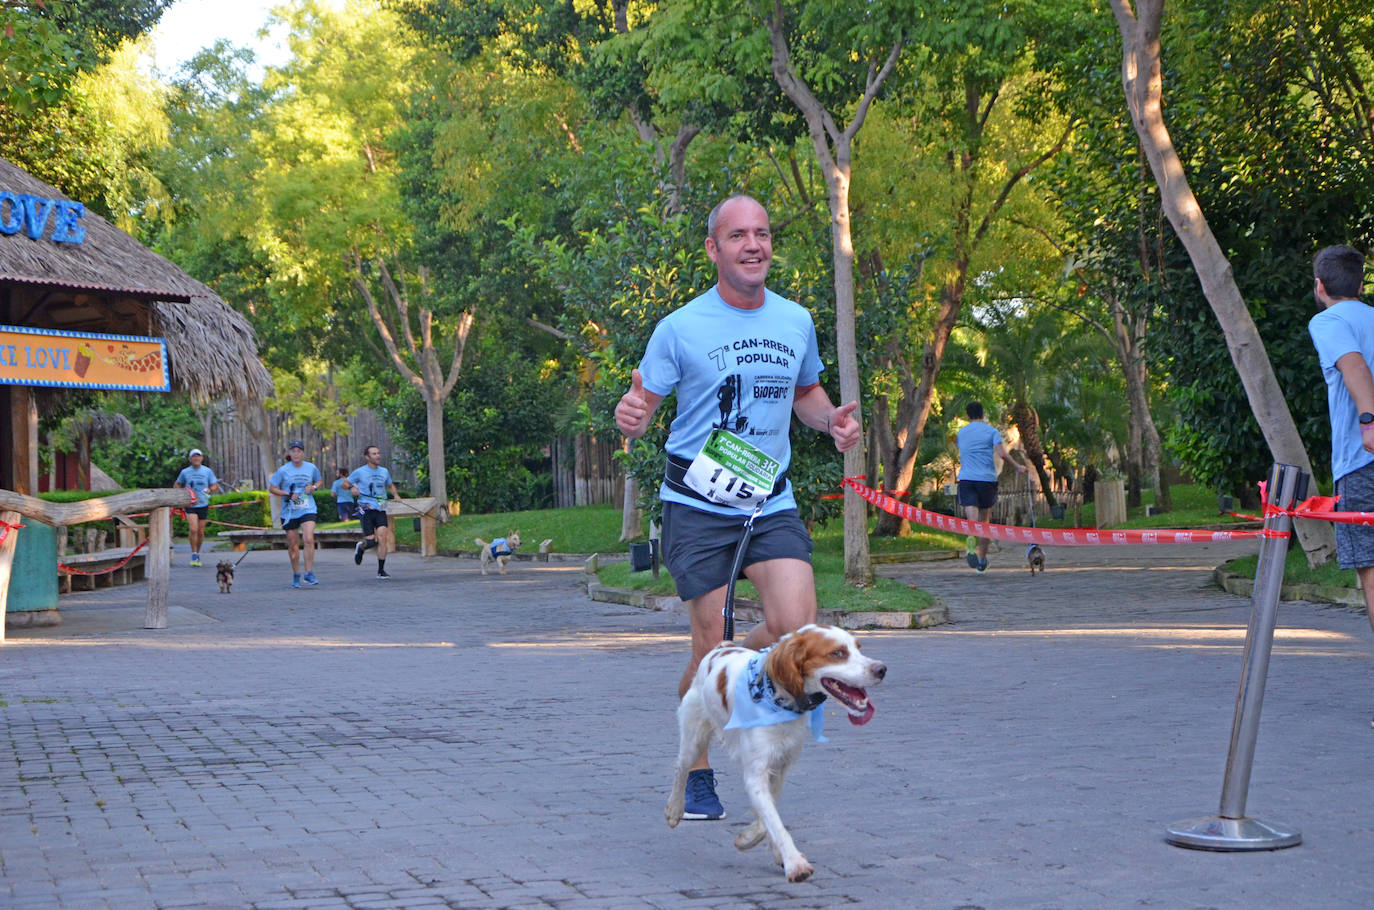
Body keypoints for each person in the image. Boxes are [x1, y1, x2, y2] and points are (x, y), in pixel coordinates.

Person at [614, 194, 861, 822]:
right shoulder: (681, 327)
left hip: (766, 497)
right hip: (697, 502)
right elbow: (640, 404)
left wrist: (829, 420)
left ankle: (732, 666)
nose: (754, 245)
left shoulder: (795, 320)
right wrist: (631, 417)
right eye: (738, 236)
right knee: (709, 638)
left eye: (763, 234)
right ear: (714, 250)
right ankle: (696, 769)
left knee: (793, 623)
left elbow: (805, 392)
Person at [1308, 245, 1374, 712]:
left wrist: (1369, 421)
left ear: (1321, 286)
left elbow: (1353, 366)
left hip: (1361, 464)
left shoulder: (1328, 322)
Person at [956, 401, 1027, 573]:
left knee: (971, 515)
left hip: (966, 478)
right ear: (983, 414)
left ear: (968, 416)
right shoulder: (991, 431)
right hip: (986, 479)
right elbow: (1002, 454)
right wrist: (1017, 467)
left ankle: (970, 539)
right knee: (984, 521)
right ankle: (982, 561)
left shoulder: (961, 432)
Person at [268, 441, 323, 588]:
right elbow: (272, 488)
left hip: (307, 508)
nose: (296, 453)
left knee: (309, 538)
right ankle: (296, 574)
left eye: (299, 451)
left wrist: (313, 488)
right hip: (290, 511)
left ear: (303, 453)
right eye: (293, 451)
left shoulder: (311, 467)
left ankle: (309, 573)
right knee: (293, 545)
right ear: (290, 453)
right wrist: (287, 493)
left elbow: (319, 480)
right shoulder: (283, 470)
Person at [350, 444, 401, 579]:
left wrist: (395, 495)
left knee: (383, 537)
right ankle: (361, 547)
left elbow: (390, 484)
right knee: (371, 542)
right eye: (374, 454)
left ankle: (381, 571)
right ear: (367, 457)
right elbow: (346, 483)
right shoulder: (360, 472)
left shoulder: (384, 471)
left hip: (380, 507)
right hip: (365, 508)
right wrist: (352, 488)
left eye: (378, 453)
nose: (377, 456)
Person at [174, 448, 220, 568]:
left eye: (198, 456)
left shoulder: (207, 471)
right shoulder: (185, 472)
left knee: (200, 531)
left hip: (203, 503)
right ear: (190, 459)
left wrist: (210, 489)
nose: (196, 458)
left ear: (201, 458)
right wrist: (179, 495)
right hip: (191, 504)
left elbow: (215, 485)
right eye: (194, 456)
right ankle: (193, 553)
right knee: (193, 529)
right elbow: (178, 484)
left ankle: (198, 553)